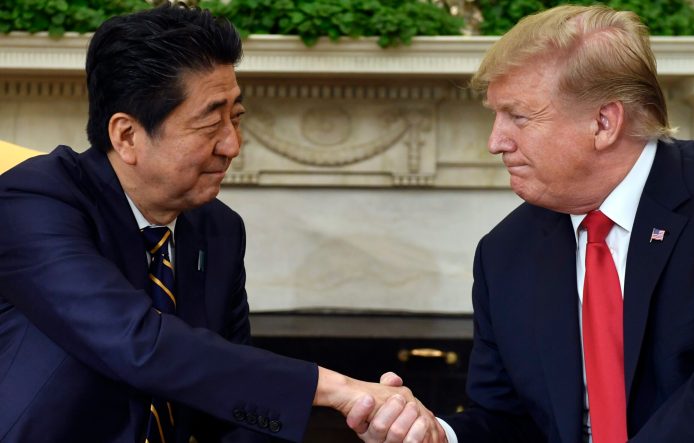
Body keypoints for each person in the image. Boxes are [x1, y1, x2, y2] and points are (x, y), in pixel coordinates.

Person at [0, 4, 445, 443]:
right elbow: (136, 342)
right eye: (211, 123)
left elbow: (226, 407)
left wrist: (361, 418)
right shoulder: (33, 200)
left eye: (236, 118)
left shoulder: (217, 228)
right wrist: (335, 390)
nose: (232, 145)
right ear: (127, 135)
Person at [354, 4, 694, 443]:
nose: (495, 142)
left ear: (604, 122)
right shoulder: (504, 253)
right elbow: (510, 421)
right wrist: (438, 434)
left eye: (519, 116)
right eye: (494, 116)